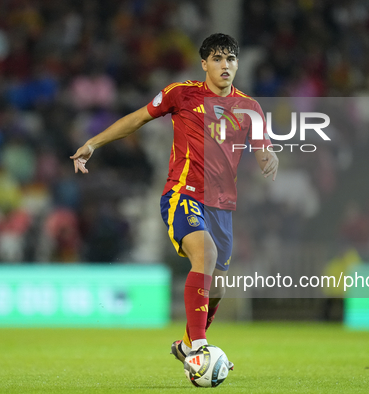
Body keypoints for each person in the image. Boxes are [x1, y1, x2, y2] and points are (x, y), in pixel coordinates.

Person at [70, 33, 278, 369]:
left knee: (217, 288)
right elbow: (136, 119)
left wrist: (269, 157)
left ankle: (185, 345)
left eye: (231, 59)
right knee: (205, 254)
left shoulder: (250, 108)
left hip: (221, 207)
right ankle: (200, 347)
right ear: (204, 64)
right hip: (182, 194)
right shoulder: (180, 94)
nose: (226, 66)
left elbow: (263, 146)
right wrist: (94, 143)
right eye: (218, 59)